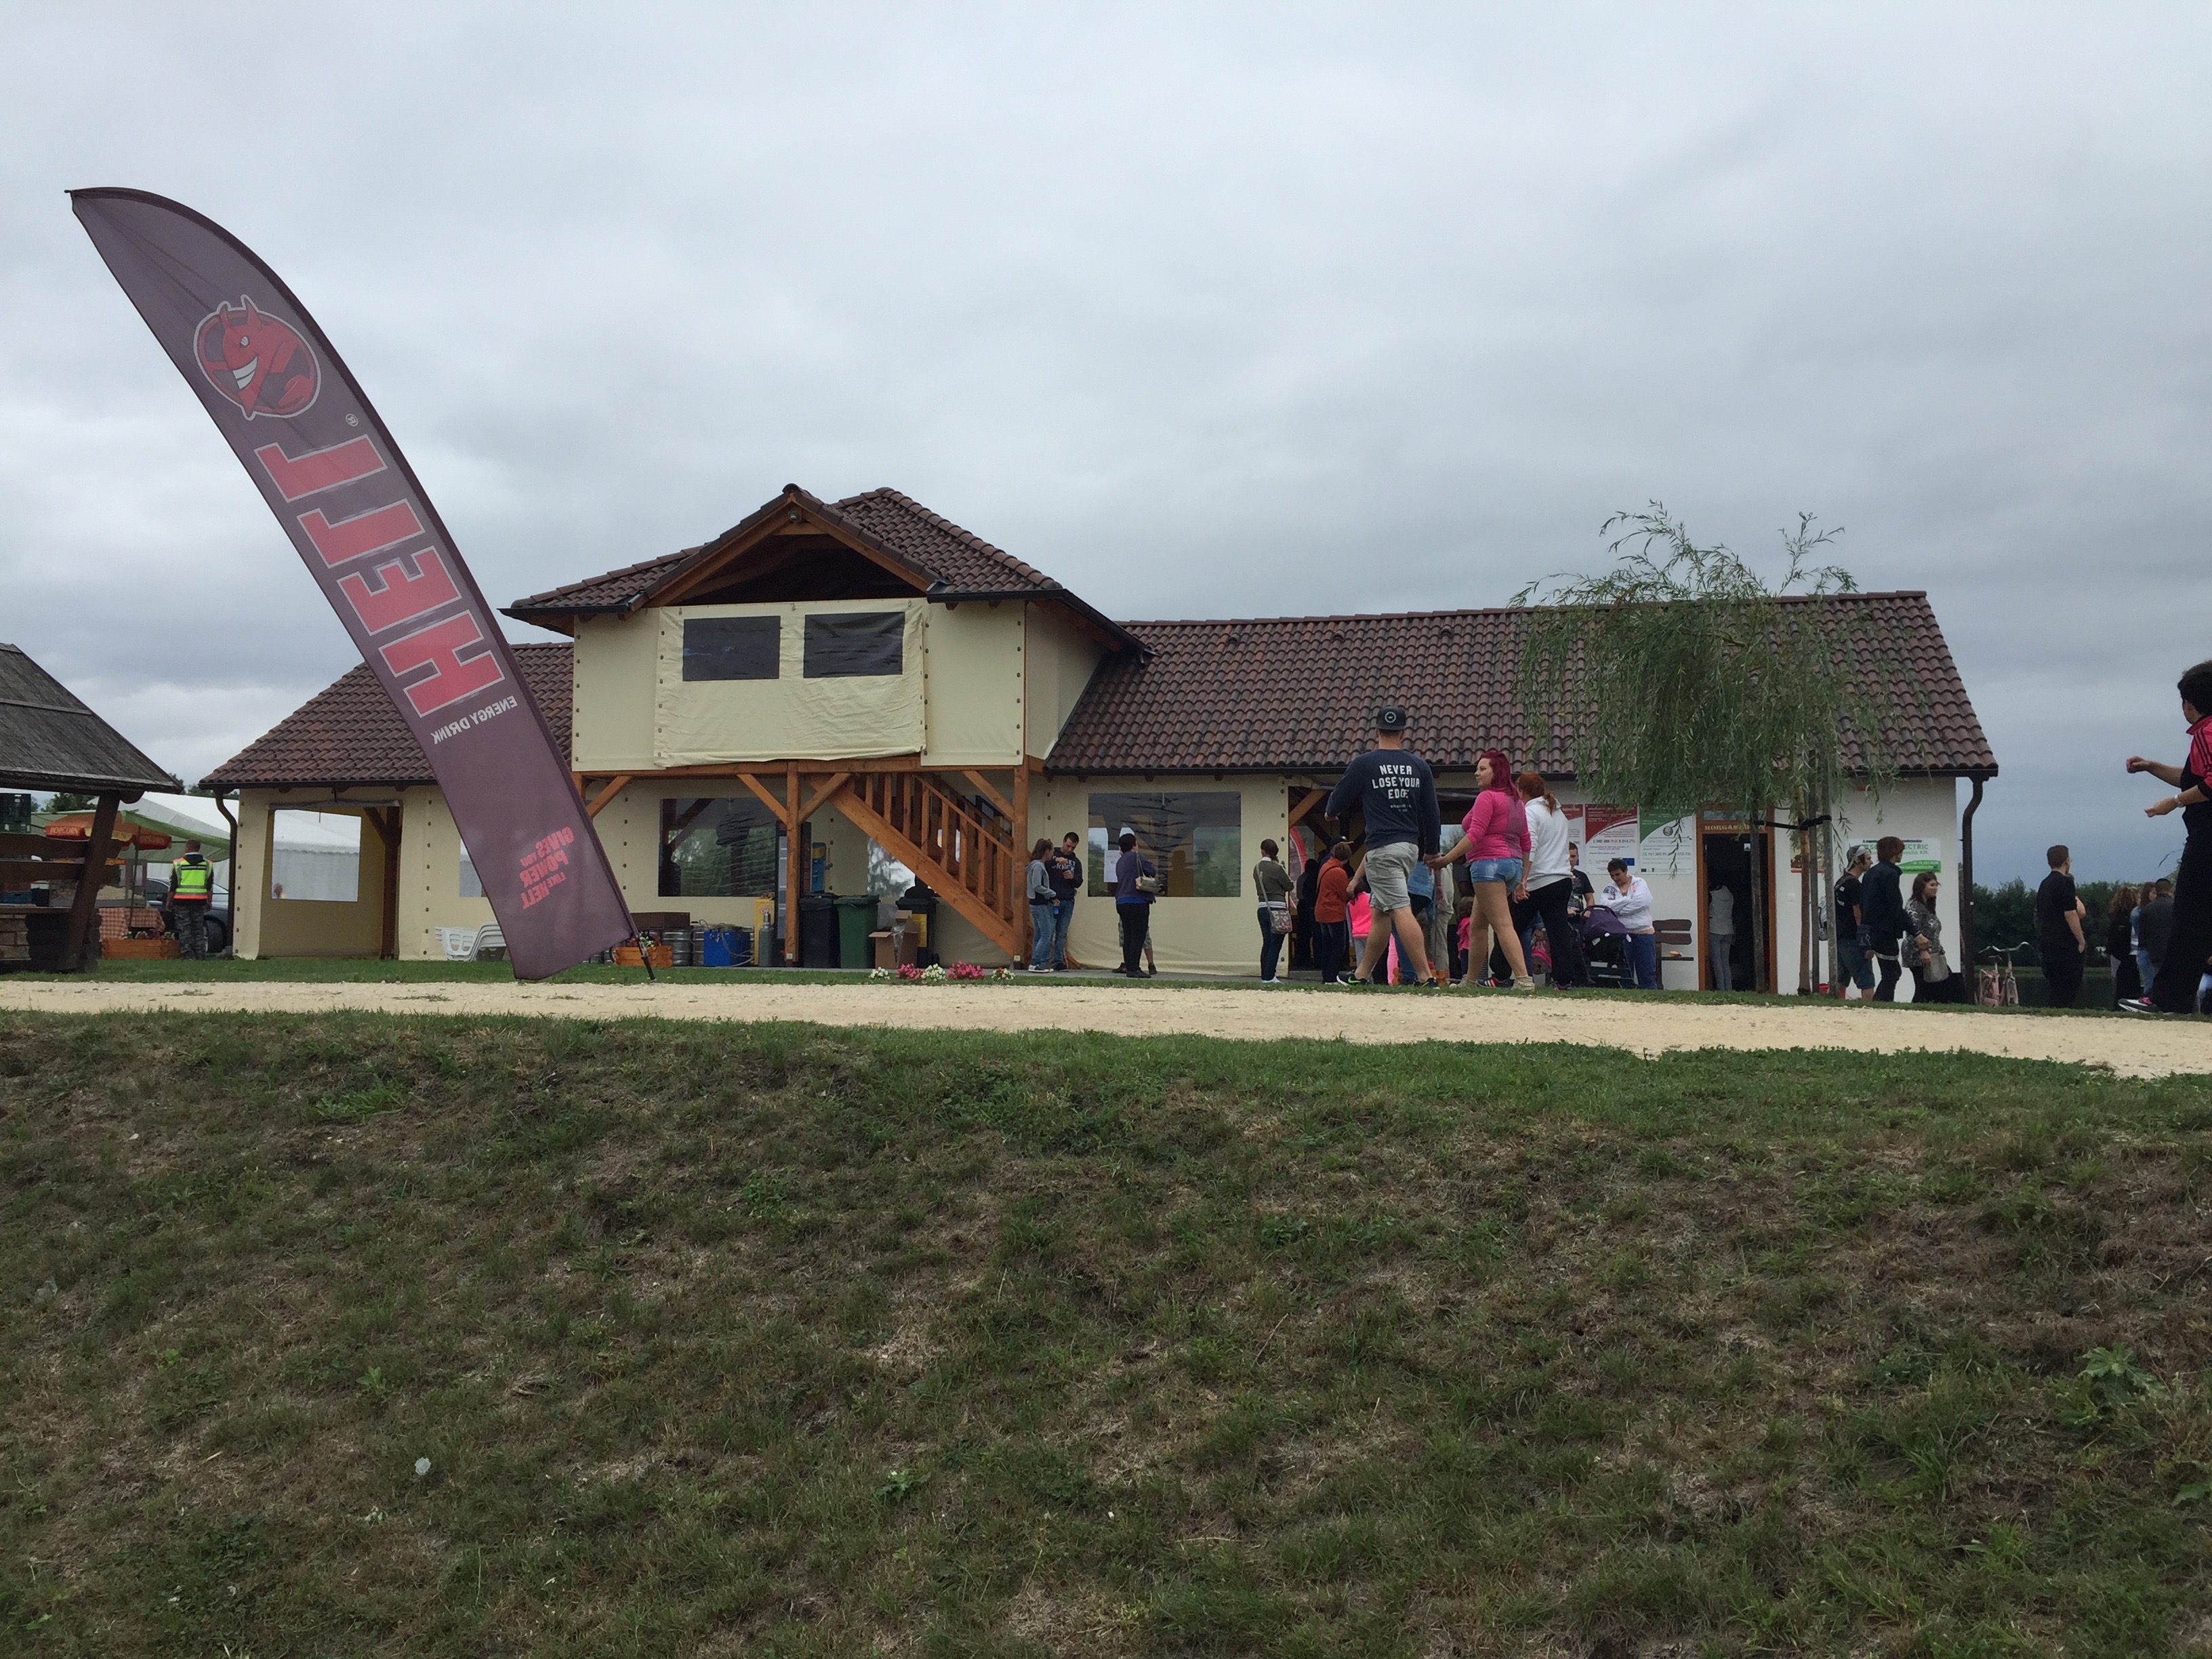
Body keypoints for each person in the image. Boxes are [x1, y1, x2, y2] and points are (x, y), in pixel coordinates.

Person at [1324, 705, 1442, 987]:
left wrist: (1330, 813)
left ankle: (1425, 977)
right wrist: (1432, 849)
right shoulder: (1419, 766)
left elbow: (1339, 797)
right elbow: (1432, 812)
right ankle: (1361, 975)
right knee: (1380, 913)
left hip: (1383, 848)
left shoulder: (1365, 764)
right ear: (1402, 733)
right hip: (1409, 848)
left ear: (1376, 731)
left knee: (1400, 909)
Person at [2125, 659, 2212, 1015]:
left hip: (2207, 839)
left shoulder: (2206, 732)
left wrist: (2173, 803)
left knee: (2190, 919)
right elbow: (2193, 778)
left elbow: (2208, 784)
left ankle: (2168, 999)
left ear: (2191, 703)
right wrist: (2152, 767)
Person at [1429, 751, 1535, 990]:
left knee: (1503, 924)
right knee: (1477, 925)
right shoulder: (1516, 801)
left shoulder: (1487, 797)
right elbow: (1526, 842)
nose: (1477, 773)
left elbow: (1474, 835)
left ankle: (1524, 980)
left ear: (1496, 772)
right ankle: (1470, 980)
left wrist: (1447, 859)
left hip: (1488, 865)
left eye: (1483, 769)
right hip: (1512, 865)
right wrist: (1523, 878)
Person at [1513, 772, 1584, 988]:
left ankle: (1500, 973)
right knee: (1558, 932)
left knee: (1511, 926)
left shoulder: (1530, 812)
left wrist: (1523, 879)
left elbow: (1530, 846)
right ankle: (1564, 980)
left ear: (1521, 792)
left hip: (1539, 880)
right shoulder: (1557, 813)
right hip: (1562, 879)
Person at [2035, 844, 2087, 1009]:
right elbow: (2071, 914)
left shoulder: (2044, 884)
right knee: (2069, 987)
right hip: (2064, 943)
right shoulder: (2065, 883)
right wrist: (2081, 940)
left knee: (2056, 988)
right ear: (2067, 861)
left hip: (2047, 941)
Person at [1596, 858, 1658, 988]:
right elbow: (1607, 908)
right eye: (1612, 875)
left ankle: (1650, 994)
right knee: (1625, 971)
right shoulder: (1609, 889)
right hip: (1622, 935)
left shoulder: (1639, 883)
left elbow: (1643, 902)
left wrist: (1620, 910)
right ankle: (1627, 994)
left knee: (1647, 970)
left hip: (1644, 934)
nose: (1615, 878)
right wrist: (1628, 900)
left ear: (1625, 871)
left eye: (1618, 874)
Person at [1902, 871, 1963, 1002]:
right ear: (1922, 887)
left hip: (1933, 953)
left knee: (1940, 983)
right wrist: (1923, 951)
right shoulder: (1914, 907)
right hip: (1918, 954)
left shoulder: (1927, 907)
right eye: (1932, 885)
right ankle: (1919, 1007)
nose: (1936, 888)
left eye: (1936, 885)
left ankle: (1929, 1005)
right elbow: (1914, 931)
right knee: (1923, 986)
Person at [1862, 837, 1908, 1002]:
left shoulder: (1871, 873)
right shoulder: (1890, 874)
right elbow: (1895, 906)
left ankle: (1881, 1003)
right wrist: (1915, 932)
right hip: (1885, 930)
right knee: (1892, 972)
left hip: (1872, 930)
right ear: (1895, 852)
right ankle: (1881, 1003)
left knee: (1890, 972)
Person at [1111, 830, 1156, 977]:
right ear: (1134, 845)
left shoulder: (1119, 862)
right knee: (1139, 935)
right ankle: (1134, 968)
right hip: (1138, 900)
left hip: (1121, 901)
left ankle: (1129, 966)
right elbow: (1152, 871)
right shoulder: (1137, 856)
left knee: (1128, 936)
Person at [1833, 848, 1875, 998]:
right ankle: (1868, 1009)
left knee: (1842, 979)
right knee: (1867, 981)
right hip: (1853, 938)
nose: (1871, 862)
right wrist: (1865, 941)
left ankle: (1832, 1005)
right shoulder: (1855, 885)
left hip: (1841, 936)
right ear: (1857, 860)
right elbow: (1858, 913)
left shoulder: (1841, 882)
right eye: (1868, 858)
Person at [1252, 838, 1294, 983]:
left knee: (1267, 943)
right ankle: (1270, 976)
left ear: (1262, 851)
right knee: (1276, 944)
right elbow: (1289, 886)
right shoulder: (1277, 868)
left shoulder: (1257, 868)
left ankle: (1265, 975)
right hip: (1277, 908)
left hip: (1262, 907)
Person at [1314, 840, 1353, 983]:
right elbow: (1345, 894)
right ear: (1347, 858)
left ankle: (1326, 976)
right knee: (1338, 946)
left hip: (1321, 911)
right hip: (1334, 912)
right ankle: (1332, 977)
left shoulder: (1326, 866)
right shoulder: (1339, 872)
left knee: (1327, 945)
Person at [169, 839, 216, 960]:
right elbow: (209, 886)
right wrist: (209, 902)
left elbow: (173, 885)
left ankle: (187, 955)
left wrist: (169, 902)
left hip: (181, 901)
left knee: (184, 928)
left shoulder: (178, 864)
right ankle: (200, 954)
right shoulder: (208, 865)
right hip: (200, 901)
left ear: (187, 848)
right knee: (198, 928)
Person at [1046, 832, 1084, 970]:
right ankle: (1043, 962)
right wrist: (1056, 861)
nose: (1070, 849)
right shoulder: (1053, 854)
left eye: (1073, 847)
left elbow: (1079, 882)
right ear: (1063, 842)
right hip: (1052, 900)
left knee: (1061, 933)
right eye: (1068, 846)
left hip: (1068, 901)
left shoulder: (1076, 862)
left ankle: (1058, 962)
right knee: (1048, 932)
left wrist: (1072, 878)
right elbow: (1042, 865)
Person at [1025, 839, 1057, 970]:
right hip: (1039, 904)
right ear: (1046, 851)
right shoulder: (1038, 866)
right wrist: (1052, 893)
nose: (1053, 854)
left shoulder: (1034, 865)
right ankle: (1035, 962)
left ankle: (1039, 964)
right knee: (1046, 934)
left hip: (1036, 904)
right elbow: (1037, 885)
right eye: (1052, 851)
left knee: (1038, 935)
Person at [2107, 885, 2142, 1005]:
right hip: (2129, 956)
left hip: (2119, 957)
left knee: (2121, 984)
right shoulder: (2132, 919)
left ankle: (2120, 1004)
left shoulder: (2115, 918)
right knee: (2131, 984)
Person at [2139, 878, 2175, 990]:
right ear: (2171, 889)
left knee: (2159, 984)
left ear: (2157, 890)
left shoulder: (2147, 909)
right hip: (2175, 952)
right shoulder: (2176, 907)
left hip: (2156, 954)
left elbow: (2143, 936)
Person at [1706, 879, 1736, 992]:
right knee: (1725, 961)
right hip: (1728, 930)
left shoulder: (1711, 895)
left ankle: (1721, 988)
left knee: (1717, 961)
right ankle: (1729, 987)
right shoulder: (1730, 895)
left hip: (1715, 930)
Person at [1565, 842, 1595, 919]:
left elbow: (1590, 898)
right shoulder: (1555, 876)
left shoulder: (1582, 876)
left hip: (1579, 918)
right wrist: (1564, 910)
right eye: (1568, 856)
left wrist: (1589, 910)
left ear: (1577, 857)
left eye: (1573, 856)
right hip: (1560, 917)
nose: (1570, 859)